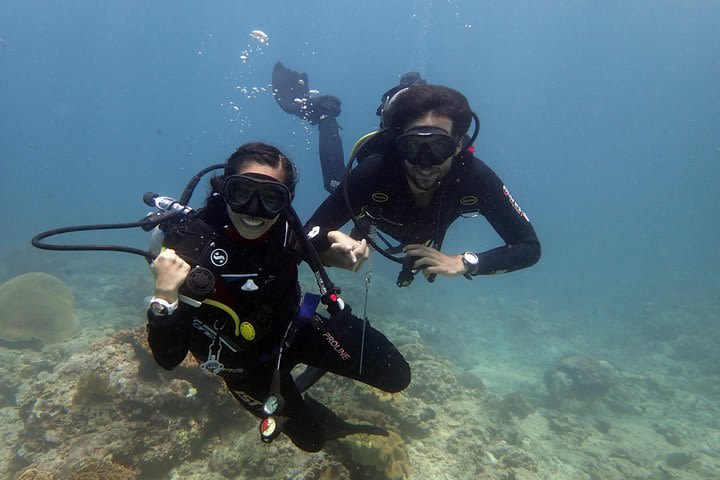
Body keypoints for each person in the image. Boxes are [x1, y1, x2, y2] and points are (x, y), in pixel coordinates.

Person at [146, 142, 410, 452]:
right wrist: (165, 296)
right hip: (245, 369)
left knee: (396, 376)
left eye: (271, 197)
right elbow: (167, 359)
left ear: (286, 202)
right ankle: (302, 400)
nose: (254, 211)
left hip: (294, 332)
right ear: (223, 190)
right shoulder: (189, 248)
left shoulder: (287, 230)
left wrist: (336, 250)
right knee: (311, 441)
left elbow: (317, 238)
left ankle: (318, 362)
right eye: (242, 193)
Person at [272, 63, 541, 286]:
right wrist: (327, 249)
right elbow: (302, 235)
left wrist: (466, 262)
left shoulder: (475, 178)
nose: (425, 163)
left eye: (439, 147)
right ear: (398, 143)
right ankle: (325, 116)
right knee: (335, 183)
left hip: (414, 226)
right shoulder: (372, 175)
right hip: (376, 205)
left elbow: (528, 247)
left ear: (458, 145)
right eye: (412, 146)